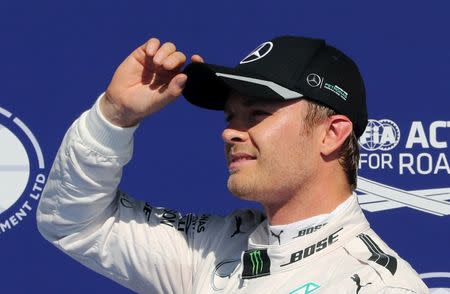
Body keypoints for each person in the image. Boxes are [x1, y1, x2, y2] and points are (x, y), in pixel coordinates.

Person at [36, 36, 428, 293]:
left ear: (331, 134)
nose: (230, 133)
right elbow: (76, 222)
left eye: (257, 114)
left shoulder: (377, 285)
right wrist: (114, 117)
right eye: (229, 117)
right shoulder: (214, 248)